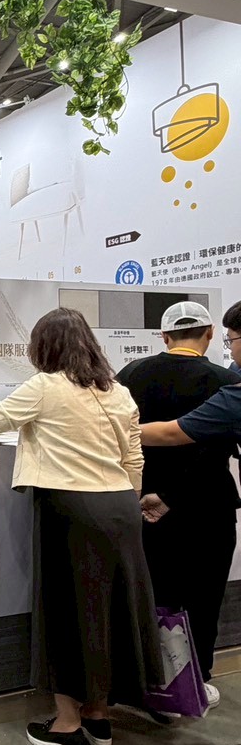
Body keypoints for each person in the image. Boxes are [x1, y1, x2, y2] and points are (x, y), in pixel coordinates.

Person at [0, 309, 159, 745]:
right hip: (121, 508)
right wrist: (129, 499)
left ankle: (67, 727)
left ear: (43, 348)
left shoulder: (47, 386)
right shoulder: (119, 391)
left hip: (70, 508)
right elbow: (134, 458)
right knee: (108, 611)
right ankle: (98, 716)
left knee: (66, 613)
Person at [118, 301, 238, 705]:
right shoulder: (226, 381)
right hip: (208, 507)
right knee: (204, 598)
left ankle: (150, 681)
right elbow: (213, 449)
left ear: (164, 337)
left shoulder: (130, 374)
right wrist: (176, 495)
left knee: (152, 595)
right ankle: (195, 684)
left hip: (142, 506)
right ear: (209, 334)